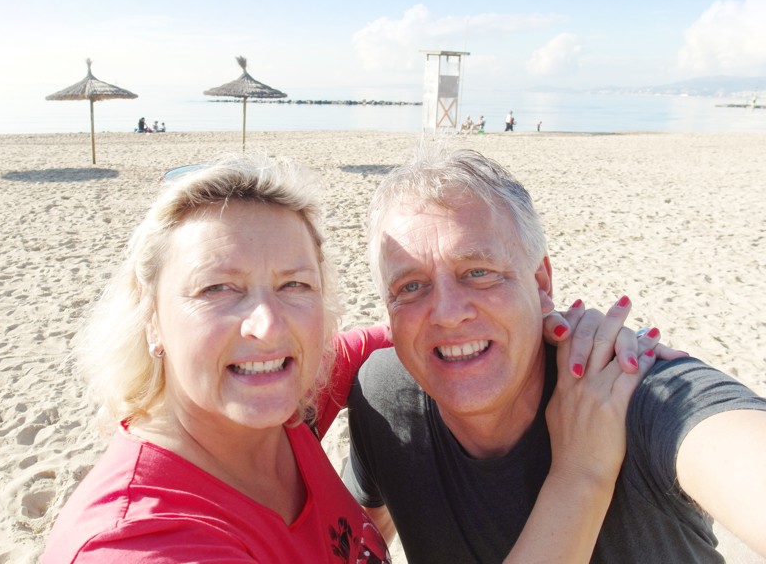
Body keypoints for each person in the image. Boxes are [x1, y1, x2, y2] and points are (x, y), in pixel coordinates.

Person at [44, 155, 662, 563]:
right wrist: (581, 473)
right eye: (217, 289)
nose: (267, 326)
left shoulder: (284, 403)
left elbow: (419, 331)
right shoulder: (142, 540)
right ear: (152, 318)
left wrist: (560, 327)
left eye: (294, 285)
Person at [344, 148, 766, 563]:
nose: (449, 314)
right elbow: (354, 535)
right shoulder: (384, 397)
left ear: (541, 282)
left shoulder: (633, 392)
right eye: (411, 286)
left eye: (478, 272)